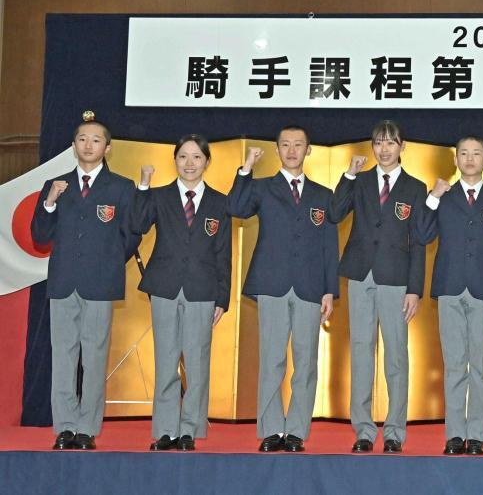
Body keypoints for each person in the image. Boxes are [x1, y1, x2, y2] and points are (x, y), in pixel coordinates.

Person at [31, 116, 141, 450]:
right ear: (74, 145)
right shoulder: (57, 184)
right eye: (82, 139)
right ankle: (65, 426)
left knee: (93, 357)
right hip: (64, 283)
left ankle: (87, 428)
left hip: (100, 284)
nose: (88, 145)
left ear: (107, 147)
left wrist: (105, 262)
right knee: (63, 356)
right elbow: (40, 235)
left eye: (95, 140)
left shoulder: (121, 187)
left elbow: (131, 235)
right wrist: (49, 202)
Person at [228, 125, 338, 453]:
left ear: (309, 150)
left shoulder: (323, 195)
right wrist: (246, 169)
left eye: (298, 145)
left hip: (309, 286)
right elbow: (236, 207)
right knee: (272, 360)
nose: (292, 150)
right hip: (272, 283)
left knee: (305, 362)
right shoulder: (262, 187)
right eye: (285, 145)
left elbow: (330, 246)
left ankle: (297, 431)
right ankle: (272, 429)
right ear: (276, 150)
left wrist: (329, 289)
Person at [416, 136, 483, 456]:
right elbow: (421, 233)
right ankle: (455, 434)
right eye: (464, 153)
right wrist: (433, 197)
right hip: (450, 288)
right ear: (455, 158)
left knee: (481, 364)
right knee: (455, 364)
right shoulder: (443, 197)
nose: (470, 158)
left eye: (477, 154)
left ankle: (477, 435)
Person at [332, 120, 427, 454]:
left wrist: (415, 288)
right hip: (360, 274)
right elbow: (333, 213)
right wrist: (348, 175)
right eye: (378, 143)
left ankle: (394, 432)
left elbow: (419, 242)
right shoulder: (358, 182)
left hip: (396, 278)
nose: (384, 149)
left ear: (403, 147)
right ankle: (362, 429)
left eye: (390, 143)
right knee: (361, 351)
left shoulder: (416, 187)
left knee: (396, 356)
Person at [133, 134, 231, 451]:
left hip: (203, 290)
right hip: (164, 286)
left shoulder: (220, 201)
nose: (189, 163)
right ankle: (165, 430)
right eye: (183, 157)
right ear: (174, 160)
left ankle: (189, 429)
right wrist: (144, 185)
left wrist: (223, 298)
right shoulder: (159, 196)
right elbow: (137, 222)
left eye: (196, 157)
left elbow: (223, 253)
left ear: (206, 162)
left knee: (198, 361)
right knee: (165, 360)